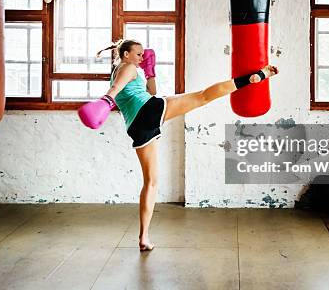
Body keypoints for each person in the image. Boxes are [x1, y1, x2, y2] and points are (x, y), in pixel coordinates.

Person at [78, 39, 278, 251]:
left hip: (137, 127)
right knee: (202, 97)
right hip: (148, 111)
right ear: (125, 54)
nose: (141, 58)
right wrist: (107, 100)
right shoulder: (127, 67)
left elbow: (150, 92)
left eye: (142, 55)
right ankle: (253, 78)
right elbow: (117, 88)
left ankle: (144, 237)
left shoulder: (126, 69)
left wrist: (150, 72)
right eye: (138, 54)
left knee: (151, 182)